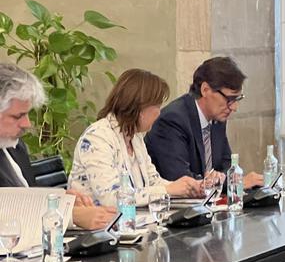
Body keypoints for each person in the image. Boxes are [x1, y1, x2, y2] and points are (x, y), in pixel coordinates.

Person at [0, 63, 118, 230]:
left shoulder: (15, 147)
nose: (27, 124)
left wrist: (59, 199)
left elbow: (25, 195)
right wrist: (69, 215)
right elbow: (7, 214)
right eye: (18, 116)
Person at [69, 69, 202, 206]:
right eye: (157, 106)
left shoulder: (134, 136)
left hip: (132, 221)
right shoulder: (97, 138)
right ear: (140, 108)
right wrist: (167, 190)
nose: (159, 112)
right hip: (99, 223)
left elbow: (153, 181)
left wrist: (184, 187)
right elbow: (112, 198)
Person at [145, 56, 263, 189]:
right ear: (205, 89)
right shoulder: (172, 120)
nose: (234, 107)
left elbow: (227, 167)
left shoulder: (217, 118)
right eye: (230, 99)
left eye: (238, 99)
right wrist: (234, 183)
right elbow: (181, 179)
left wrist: (228, 179)